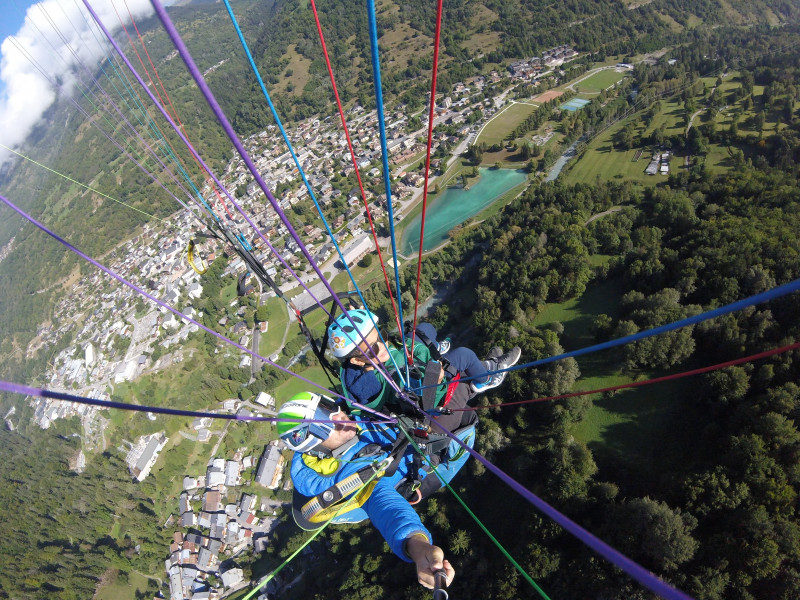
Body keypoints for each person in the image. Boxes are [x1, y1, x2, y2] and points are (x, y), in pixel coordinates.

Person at [278, 391, 470, 588]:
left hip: (406, 435)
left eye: (330, 409)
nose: (341, 418)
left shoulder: (349, 432)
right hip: (432, 462)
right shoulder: (350, 479)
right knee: (462, 412)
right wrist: (419, 548)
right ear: (317, 448)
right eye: (329, 426)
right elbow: (385, 507)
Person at [327, 308, 521, 431]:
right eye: (373, 347)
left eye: (381, 335)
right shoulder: (372, 384)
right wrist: (432, 378)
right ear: (358, 361)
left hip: (404, 361)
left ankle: (435, 349)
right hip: (427, 391)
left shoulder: (366, 362)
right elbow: (409, 386)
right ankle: (487, 378)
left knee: (425, 328)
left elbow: (381, 352)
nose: (382, 344)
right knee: (465, 355)